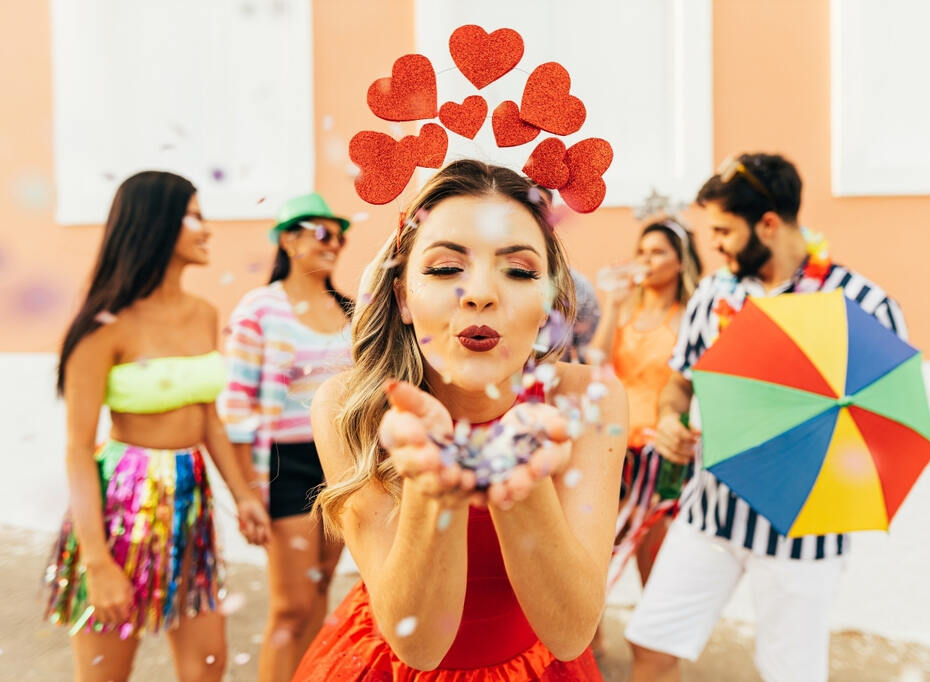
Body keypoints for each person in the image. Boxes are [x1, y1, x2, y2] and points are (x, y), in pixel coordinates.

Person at [292, 160, 628, 680]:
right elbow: (419, 646)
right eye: (446, 268)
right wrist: (433, 487)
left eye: (519, 271)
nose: (481, 293)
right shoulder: (348, 407)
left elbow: (570, 633)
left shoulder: (588, 400)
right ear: (402, 296)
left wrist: (520, 477)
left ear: (548, 305)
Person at [626, 153, 908, 682]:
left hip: (805, 535)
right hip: (710, 513)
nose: (716, 245)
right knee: (651, 644)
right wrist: (669, 420)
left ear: (769, 224)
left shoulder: (864, 305)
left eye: (724, 231)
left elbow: (883, 425)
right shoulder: (716, 293)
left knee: (790, 675)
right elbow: (681, 383)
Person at [44, 171, 271, 682]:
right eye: (194, 216)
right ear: (155, 223)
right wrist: (97, 562)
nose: (206, 228)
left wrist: (244, 496)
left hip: (190, 501)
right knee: (105, 675)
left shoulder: (203, 313)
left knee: (208, 665)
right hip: (120, 506)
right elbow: (78, 450)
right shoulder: (103, 325)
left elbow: (208, 416)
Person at [220, 193, 354, 681]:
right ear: (289, 241)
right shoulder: (260, 309)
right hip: (284, 465)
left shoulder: (350, 311)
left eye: (338, 236)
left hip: (341, 461)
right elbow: (236, 406)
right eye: (321, 233)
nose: (333, 244)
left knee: (320, 591)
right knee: (291, 607)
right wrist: (246, 493)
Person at [590, 218, 702, 590]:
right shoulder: (624, 312)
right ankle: (592, 627)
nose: (646, 260)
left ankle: (654, 624)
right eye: (642, 251)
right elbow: (597, 363)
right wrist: (612, 305)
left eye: (658, 252)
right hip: (617, 444)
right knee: (601, 549)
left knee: (652, 554)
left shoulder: (687, 318)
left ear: (680, 262)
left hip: (659, 450)